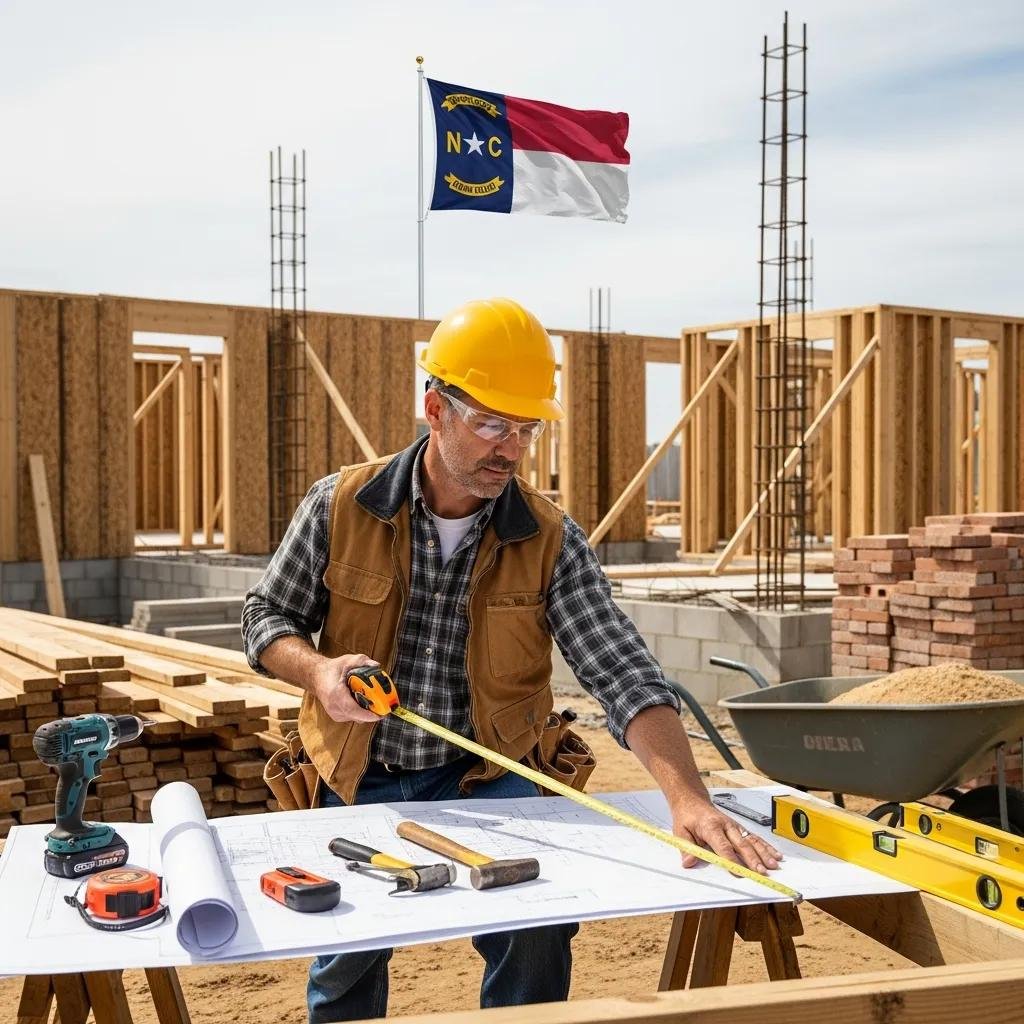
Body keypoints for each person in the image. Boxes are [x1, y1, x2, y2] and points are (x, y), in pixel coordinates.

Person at [241, 297, 782, 1023]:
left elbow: (620, 668)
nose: (510, 447)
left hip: (490, 775)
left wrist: (686, 798)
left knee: (536, 934)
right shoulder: (339, 506)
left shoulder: (550, 537)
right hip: (357, 773)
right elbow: (264, 617)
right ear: (434, 409)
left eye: (524, 429)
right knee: (347, 955)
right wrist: (317, 671)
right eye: (491, 424)